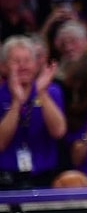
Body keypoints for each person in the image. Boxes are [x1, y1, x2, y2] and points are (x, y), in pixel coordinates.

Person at [0, 35, 66, 189]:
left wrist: (41, 93)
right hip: (6, 179)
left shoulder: (52, 91)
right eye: (16, 61)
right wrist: (17, 102)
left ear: (36, 64)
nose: (23, 66)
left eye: (27, 60)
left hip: (45, 176)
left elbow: (58, 132)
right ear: (4, 66)